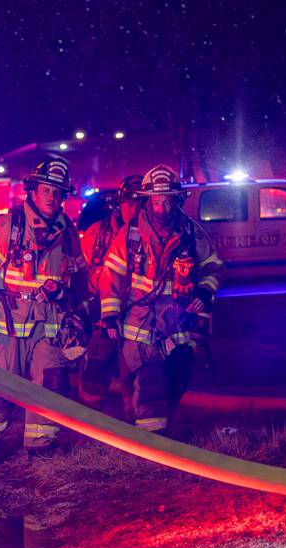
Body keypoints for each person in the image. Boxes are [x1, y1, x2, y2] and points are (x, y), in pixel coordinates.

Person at [0, 157, 87, 465]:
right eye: (46, 190)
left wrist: (77, 307)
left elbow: (79, 276)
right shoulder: (10, 224)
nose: (52, 197)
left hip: (49, 326)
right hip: (8, 323)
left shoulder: (67, 231)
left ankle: (40, 445)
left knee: (50, 384)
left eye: (58, 192)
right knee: (1, 385)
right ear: (33, 191)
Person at [99, 164, 224, 431]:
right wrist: (109, 314)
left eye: (167, 202)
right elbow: (111, 274)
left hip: (178, 322)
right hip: (140, 322)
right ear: (148, 201)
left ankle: (154, 425)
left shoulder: (191, 233)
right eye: (156, 202)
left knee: (179, 373)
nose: (162, 209)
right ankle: (152, 446)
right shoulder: (130, 235)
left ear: (177, 200)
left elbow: (213, 265)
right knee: (150, 380)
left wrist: (205, 291)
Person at [78, 175, 143, 413]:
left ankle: (134, 429)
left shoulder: (151, 235)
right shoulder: (97, 233)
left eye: (141, 203)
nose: (134, 209)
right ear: (119, 204)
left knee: (135, 374)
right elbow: (79, 271)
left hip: (138, 317)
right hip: (102, 317)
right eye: (129, 204)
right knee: (95, 372)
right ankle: (88, 427)